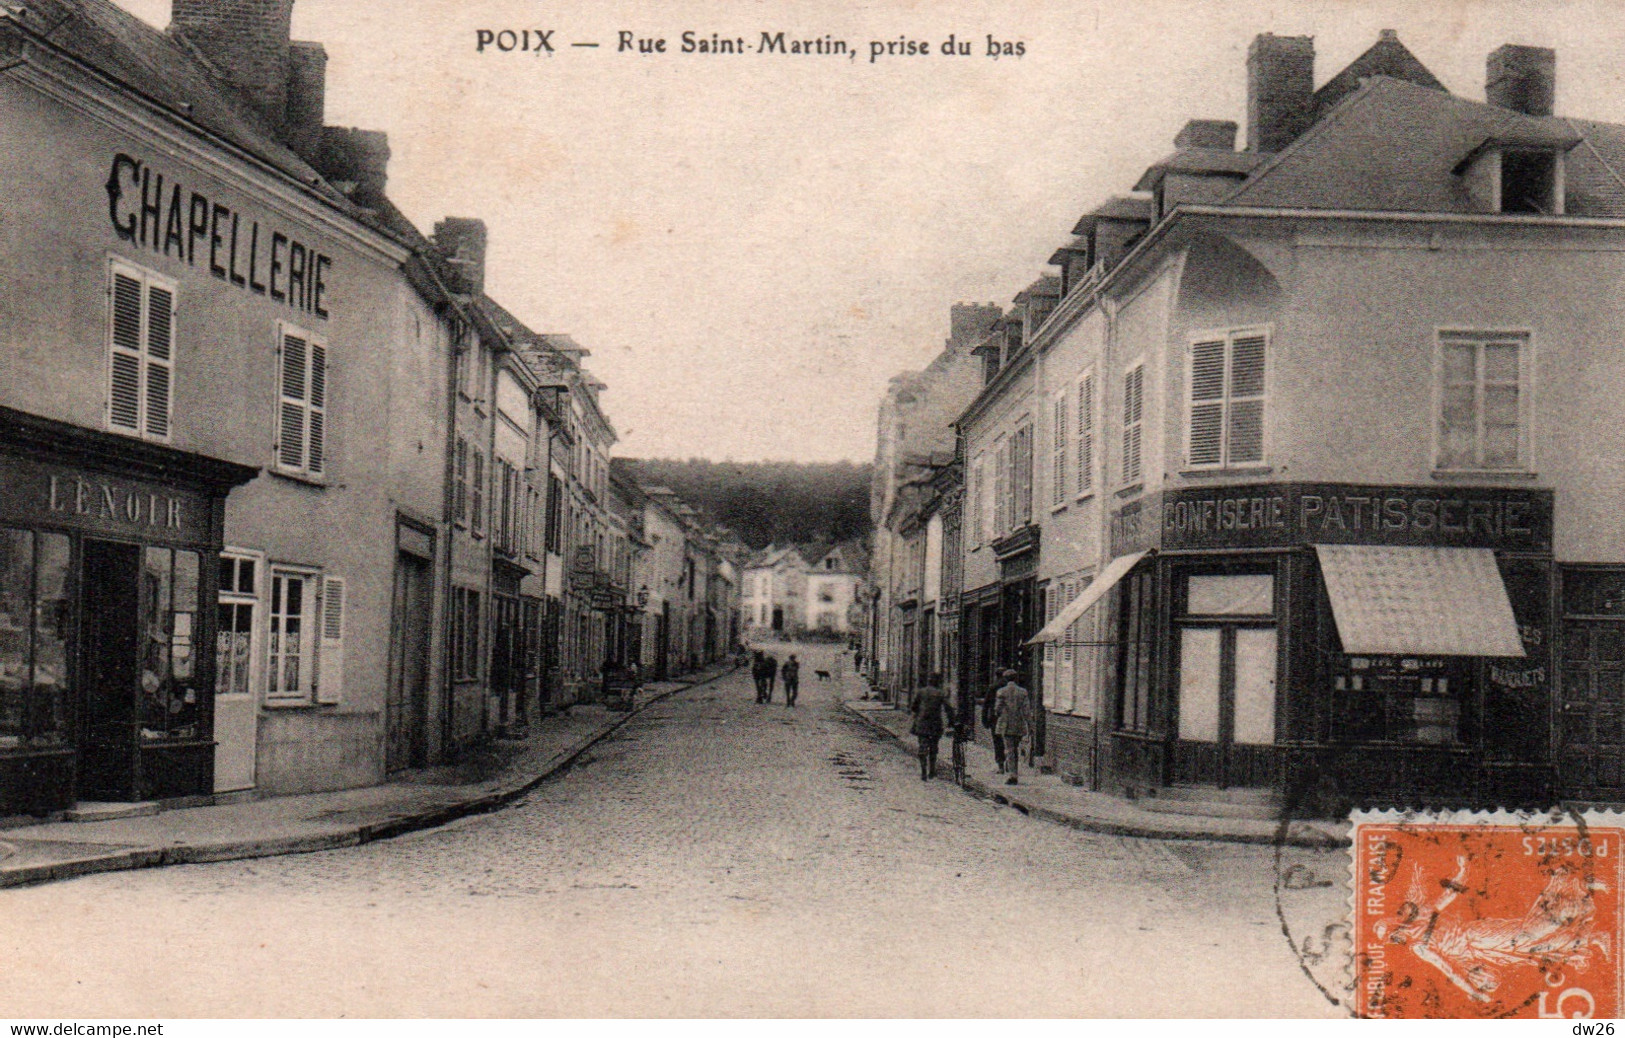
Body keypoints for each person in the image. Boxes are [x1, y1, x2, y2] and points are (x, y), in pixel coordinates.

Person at [993, 668, 1032, 785]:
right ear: (1015, 678)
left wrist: (999, 714)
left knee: (1009, 749)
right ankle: (1013, 770)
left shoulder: (1001, 692)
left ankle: (1013, 775)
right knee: (1014, 748)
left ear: (1005, 679)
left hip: (1006, 724)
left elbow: (997, 709)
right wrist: (1029, 724)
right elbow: (1026, 710)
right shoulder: (1023, 692)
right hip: (1019, 724)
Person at [909, 673, 952, 780]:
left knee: (922, 747)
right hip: (935, 724)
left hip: (922, 723)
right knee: (933, 747)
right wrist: (952, 721)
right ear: (938, 682)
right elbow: (948, 708)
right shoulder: (941, 693)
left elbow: (914, 707)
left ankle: (923, 771)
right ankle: (932, 770)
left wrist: (918, 714)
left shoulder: (921, 692)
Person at [981, 677, 1006, 774]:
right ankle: (1009, 764)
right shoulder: (1010, 687)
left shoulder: (993, 687)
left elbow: (986, 705)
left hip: (995, 718)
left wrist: (984, 720)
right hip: (1010, 719)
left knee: (998, 741)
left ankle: (1001, 764)